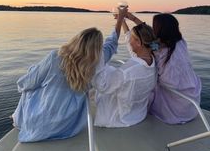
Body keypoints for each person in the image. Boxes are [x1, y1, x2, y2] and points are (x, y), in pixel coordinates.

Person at [12, 8, 126, 142]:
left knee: (29, 86)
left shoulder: (55, 57)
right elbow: (111, 44)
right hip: (68, 126)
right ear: (97, 49)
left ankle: (17, 119)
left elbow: (27, 83)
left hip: (41, 125)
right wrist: (120, 20)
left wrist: (26, 80)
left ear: (76, 40)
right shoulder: (96, 63)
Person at [126, 12, 202, 124]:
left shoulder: (157, 50)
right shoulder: (180, 43)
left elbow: (144, 41)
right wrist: (132, 18)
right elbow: (148, 35)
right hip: (191, 104)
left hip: (175, 109)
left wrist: (123, 22)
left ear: (159, 31)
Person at [92, 18, 157, 127]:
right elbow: (133, 48)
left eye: (131, 38)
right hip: (138, 114)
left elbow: (102, 86)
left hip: (120, 118)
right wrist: (122, 21)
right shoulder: (152, 61)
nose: (128, 40)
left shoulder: (127, 71)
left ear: (139, 43)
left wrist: (98, 61)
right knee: (111, 70)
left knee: (101, 78)